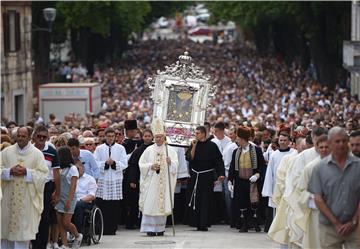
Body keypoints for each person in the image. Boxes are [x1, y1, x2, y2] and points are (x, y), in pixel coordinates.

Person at [308, 127, 360, 249]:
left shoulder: (358, 166)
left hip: (355, 227)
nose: (341, 144)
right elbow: (318, 198)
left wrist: (353, 221)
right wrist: (336, 223)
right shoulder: (319, 168)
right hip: (329, 228)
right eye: (337, 141)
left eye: (343, 141)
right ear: (330, 143)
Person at [1, 127, 48, 249]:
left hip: (26, 201)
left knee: (22, 236)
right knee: (5, 237)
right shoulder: (6, 152)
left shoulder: (37, 154)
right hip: (8, 201)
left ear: (29, 137)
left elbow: (43, 174)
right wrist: (9, 171)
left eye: (23, 136)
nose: (20, 138)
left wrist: (27, 172)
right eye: (19, 136)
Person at [138, 118, 179, 236]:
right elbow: (141, 164)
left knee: (161, 205)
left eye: (160, 137)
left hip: (164, 183)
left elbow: (176, 166)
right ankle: (150, 229)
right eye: (156, 137)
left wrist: (171, 162)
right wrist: (151, 166)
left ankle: (160, 229)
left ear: (164, 137)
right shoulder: (148, 150)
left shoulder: (170, 150)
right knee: (150, 204)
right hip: (151, 183)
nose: (158, 139)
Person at [185, 126, 225, 231]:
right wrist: (193, 146)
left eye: (198, 133)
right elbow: (189, 158)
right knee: (195, 199)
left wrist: (221, 173)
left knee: (205, 200)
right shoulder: (193, 144)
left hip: (206, 176)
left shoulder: (212, 146)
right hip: (195, 176)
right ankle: (195, 222)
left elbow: (218, 161)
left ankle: (204, 223)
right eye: (196, 133)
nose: (196, 135)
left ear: (203, 134)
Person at [228, 126, 266, 232]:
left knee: (253, 202)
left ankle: (254, 223)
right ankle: (244, 223)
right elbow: (232, 167)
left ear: (243, 139)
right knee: (242, 202)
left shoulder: (256, 150)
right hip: (240, 181)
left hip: (252, 181)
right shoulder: (236, 151)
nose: (237, 140)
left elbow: (262, 166)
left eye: (238, 138)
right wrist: (230, 181)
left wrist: (257, 175)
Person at [295, 135, 330, 249]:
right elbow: (301, 189)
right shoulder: (310, 168)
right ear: (317, 148)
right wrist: (315, 195)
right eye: (321, 147)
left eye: (327, 147)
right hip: (316, 212)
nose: (324, 149)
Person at [31, 126, 60, 249]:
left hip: (47, 186)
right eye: (39, 136)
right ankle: (32, 243)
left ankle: (42, 245)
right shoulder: (29, 150)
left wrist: (57, 192)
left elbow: (56, 173)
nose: (42, 139)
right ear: (34, 137)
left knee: (45, 217)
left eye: (44, 136)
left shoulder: (52, 151)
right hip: (31, 186)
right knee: (32, 215)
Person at [94, 127, 128, 235]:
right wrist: (105, 163)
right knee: (103, 204)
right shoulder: (99, 148)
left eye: (112, 136)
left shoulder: (121, 148)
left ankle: (112, 228)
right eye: (108, 136)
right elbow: (95, 162)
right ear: (105, 137)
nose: (110, 138)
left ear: (115, 137)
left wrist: (113, 163)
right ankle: (102, 229)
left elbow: (124, 163)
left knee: (114, 205)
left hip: (115, 179)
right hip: (103, 179)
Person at [55, 146, 82, 249]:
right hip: (59, 197)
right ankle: (65, 245)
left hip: (69, 198)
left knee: (66, 223)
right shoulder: (60, 169)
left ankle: (77, 235)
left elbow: (73, 186)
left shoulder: (73, 168)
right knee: (60, 223)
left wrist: (69, 200)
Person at [127, 129, 154, 229]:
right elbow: (133, 166)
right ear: (143, 137)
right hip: (140, 180)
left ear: (152, 137)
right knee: (137, 201)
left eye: (149, 136)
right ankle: (135, 221)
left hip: (153, 180)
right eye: (145, 136)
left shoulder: (156, 149)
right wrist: (133, 180)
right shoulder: (138, 150)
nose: (147, 138)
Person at [122, 119, 144, 229]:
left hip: (139, 173)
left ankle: (136, 220)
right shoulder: (124, 144)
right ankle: (129, 221)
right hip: (128, 175)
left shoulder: (139, 143)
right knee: (130, 200)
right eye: (131, 131)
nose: (133, 133)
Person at [72, 160, 97, 233]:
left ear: (83, 168)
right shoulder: (70, 178)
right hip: (71, 200)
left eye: (78, 168)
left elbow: (92, 195)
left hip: (85, 202)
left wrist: (79, 200)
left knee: (78, 205)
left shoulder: (90, 179)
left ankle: (77, 232)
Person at [222, 127, 238, 226]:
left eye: (232, 134)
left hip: (230, 174)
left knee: (230, 196)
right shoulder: (229, 144)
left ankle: (232, 217)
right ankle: (229, 216)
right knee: (227, 196)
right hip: (226, 173)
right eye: (230, 134)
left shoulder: (234, 147)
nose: (230, 136)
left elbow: (228, 162)